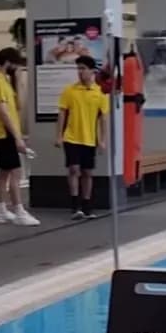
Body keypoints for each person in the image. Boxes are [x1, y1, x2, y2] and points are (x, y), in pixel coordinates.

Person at [0, 48, 39, 226]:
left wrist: (18, 80)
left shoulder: (3, 82)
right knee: (16, 172)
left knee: (5, 173)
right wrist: (17, 137)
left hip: (4, 133)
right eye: (16, 65)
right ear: (8, 62)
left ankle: (1, 210)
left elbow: (17, 107)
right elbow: (3, 112)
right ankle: (19, 210)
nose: (17, 68)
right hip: (4, 133)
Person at [56, 54, 109, 220]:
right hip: (71, 137)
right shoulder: (69, 91)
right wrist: (59, 136)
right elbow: (62, 114)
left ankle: (87, 205)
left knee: (87, 172)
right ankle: (75, 205)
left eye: (83, 69)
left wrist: (102, 140)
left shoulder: (99, 93)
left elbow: (103, 119)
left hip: (89, 138)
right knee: (74, 169)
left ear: (92, 71)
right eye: (78, 69)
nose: (80, 72)